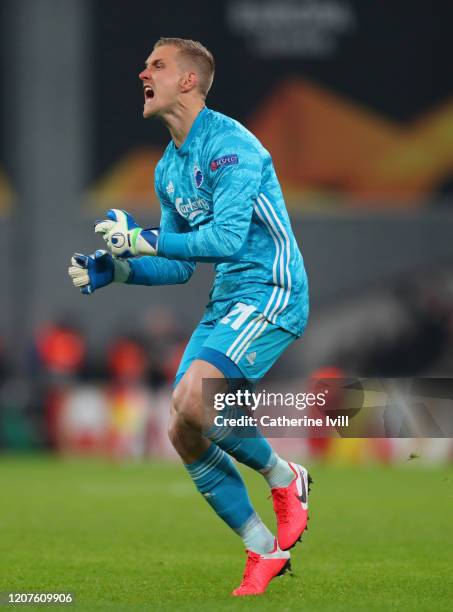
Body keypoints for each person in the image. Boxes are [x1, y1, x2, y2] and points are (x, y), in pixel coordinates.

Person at [68, 37, 310, 596]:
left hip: (271, 290)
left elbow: (224, 238)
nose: (142, 72)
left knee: (193, 400)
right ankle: (262, 549)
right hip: (227, 298)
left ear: (188, 81)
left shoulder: (233, 147)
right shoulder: (168, 168)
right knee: (182, 428)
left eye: (156, 64)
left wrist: (145, 239)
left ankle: (285, 476)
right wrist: (117, 269)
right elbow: (180, 265)